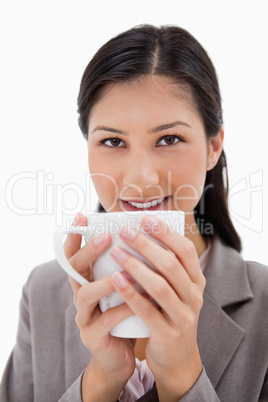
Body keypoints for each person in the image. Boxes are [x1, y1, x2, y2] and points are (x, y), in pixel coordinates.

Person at [1, 24, 267, 402]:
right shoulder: (43, 293)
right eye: (112, 141)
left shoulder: (265, 303)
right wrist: (100, 381)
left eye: (169, 139)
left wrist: (183, 375)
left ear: (213, 146)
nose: (141, 179)